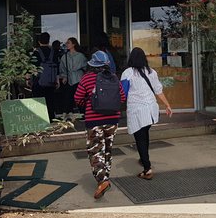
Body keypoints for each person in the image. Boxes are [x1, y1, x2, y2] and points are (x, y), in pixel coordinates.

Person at [74, 51, 126, 199]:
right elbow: (122, 97)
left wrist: (88, 104)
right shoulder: (114, 78)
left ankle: (102, 180)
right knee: (107, 149)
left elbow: (77, 98)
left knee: (96, 150)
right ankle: (105, 177)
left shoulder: (87, 78)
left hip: (94, 120)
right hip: (113, 119)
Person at [121, 47, 173, 180]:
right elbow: (158, 90)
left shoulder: (127, 73)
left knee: (140, 139)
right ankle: (144, 158)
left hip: (137, 111)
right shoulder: (151, 72)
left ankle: (147, 168)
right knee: (145, 135)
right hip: (150, 110)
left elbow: (123, 93)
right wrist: (167, 105)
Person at [58, 37, 88, 120]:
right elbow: (62, 68)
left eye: (68, 43)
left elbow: (85, 67)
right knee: (69, 96)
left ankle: (82, 113)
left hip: (79, 78)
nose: (67, 44)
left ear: (73, 44)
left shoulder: (80, 56)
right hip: (69, 78)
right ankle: (68, 112)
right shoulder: (65, 56)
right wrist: (64, 76)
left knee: (79, 96)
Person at [31, 32, 58, 121]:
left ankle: (40, 119)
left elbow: (32, 67)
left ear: (39, 41)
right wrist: (57, 79)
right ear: (49, 41)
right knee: (50, 101)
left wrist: (28, 78)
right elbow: (57, 66)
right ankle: (51, 119)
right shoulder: (53, 52)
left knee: (39, 101)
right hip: (51, 81)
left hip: (39, 81)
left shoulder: (36, 52)